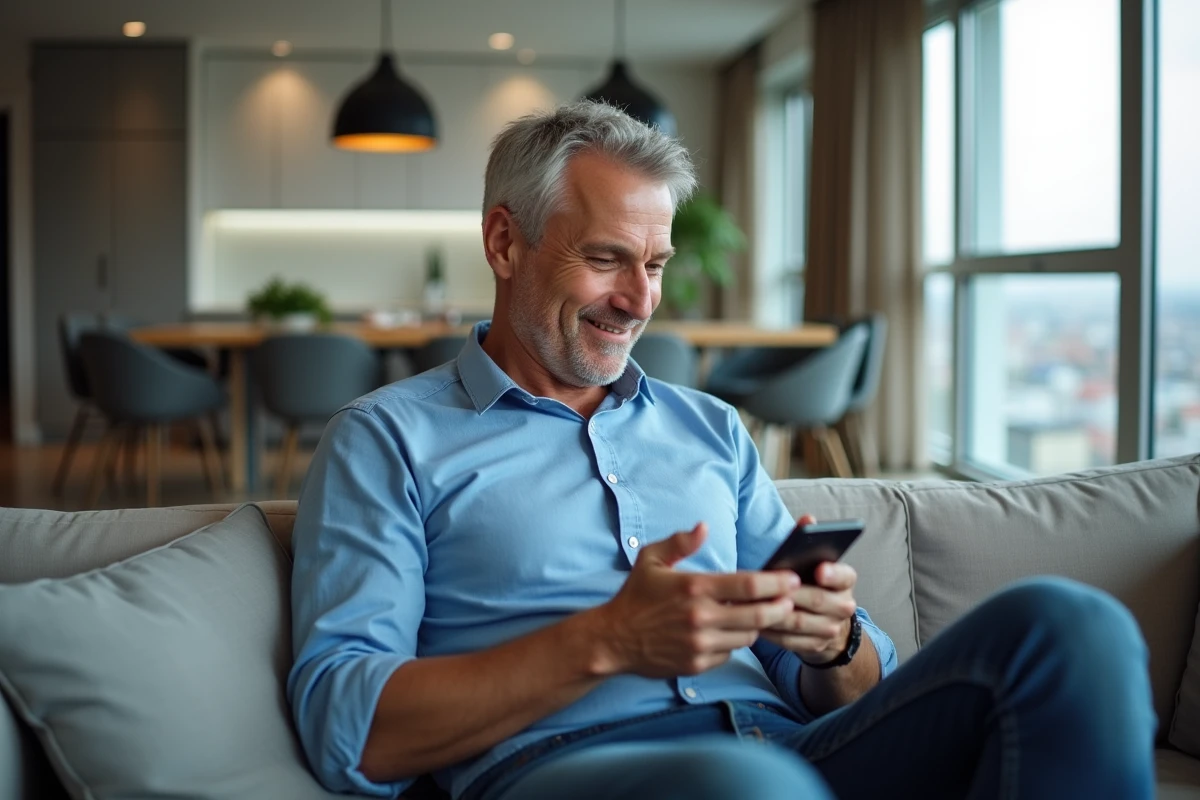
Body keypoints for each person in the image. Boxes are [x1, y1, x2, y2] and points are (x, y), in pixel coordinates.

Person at [288, 101, 1156, 800]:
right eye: (605, 259)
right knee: (747, 783)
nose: (639, 300)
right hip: (567, 766)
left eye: (656, 264)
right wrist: (611, 641)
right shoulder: (387, 439)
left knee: (1073, 626)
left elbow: (847, 679)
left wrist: (832, 642)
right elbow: (346, 728)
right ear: (504, 242)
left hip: (794, 748)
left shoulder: (709, 428)